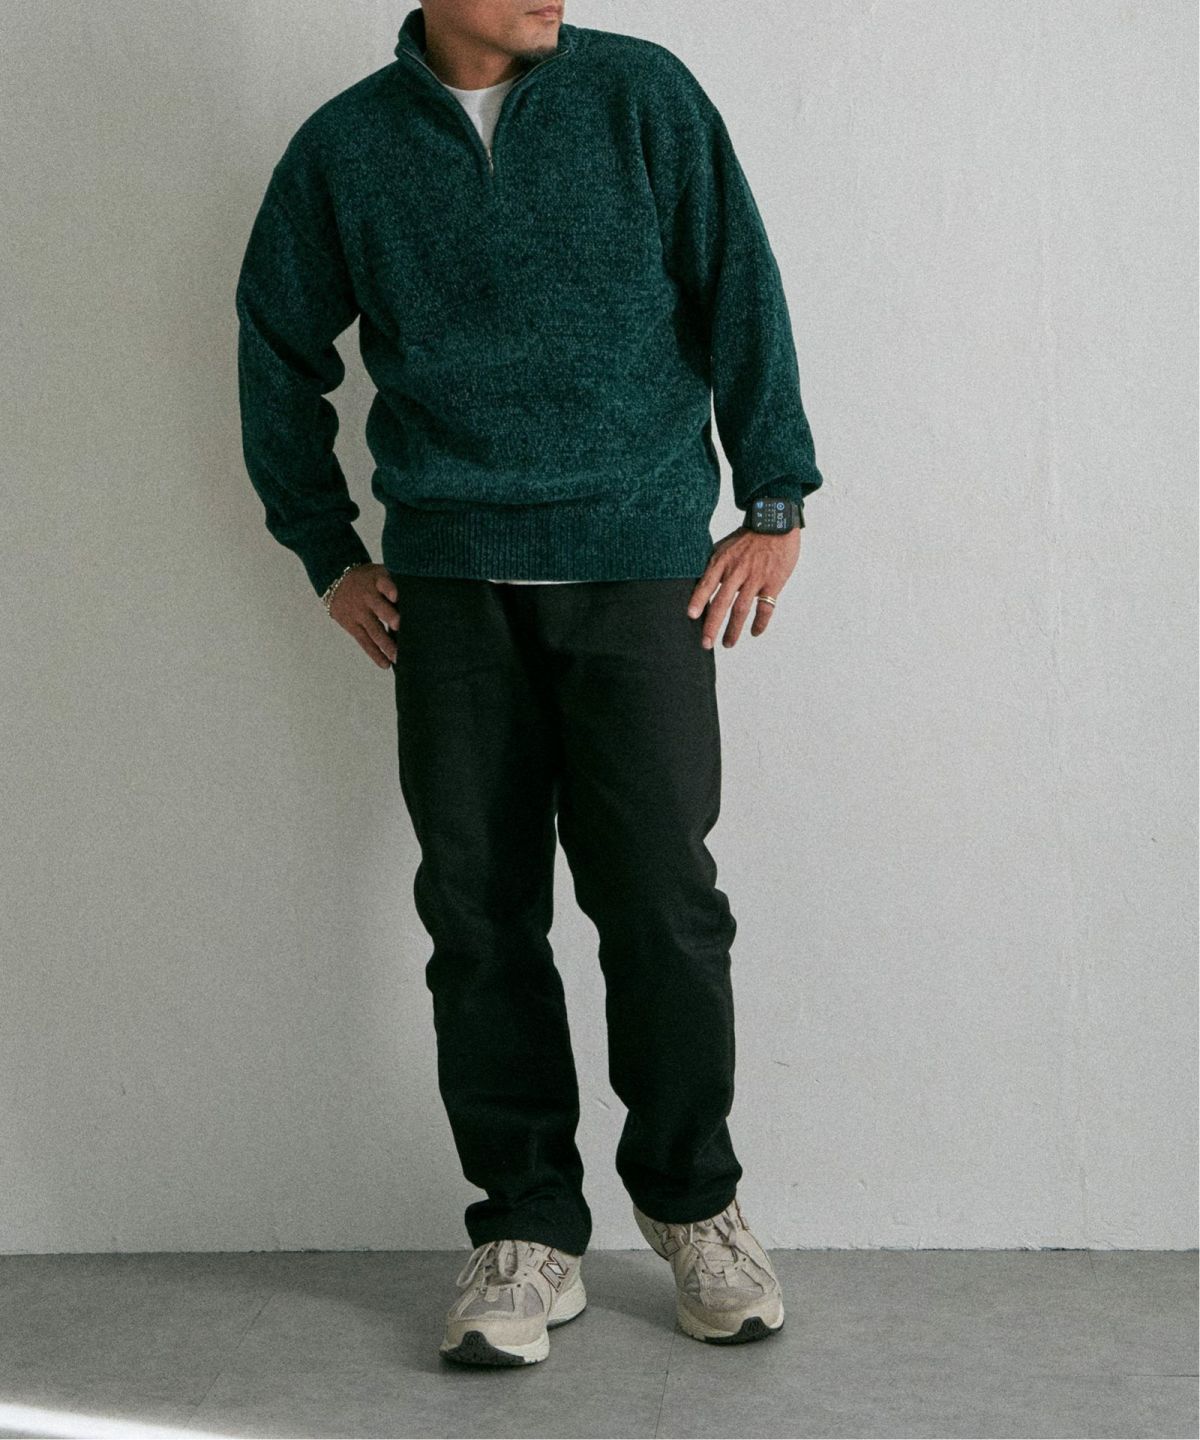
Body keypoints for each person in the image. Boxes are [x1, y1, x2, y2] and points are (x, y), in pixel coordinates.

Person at [235, 0, 824, 1368]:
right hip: (451, 587)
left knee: (665, 905)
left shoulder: (642, 97)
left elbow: (740, 283)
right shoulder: (346, 149)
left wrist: (776, 497)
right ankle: (526, 1230)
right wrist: (327, 551)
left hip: (641, 570)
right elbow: (275, 343)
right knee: (480, 911)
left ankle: (696, 1205)